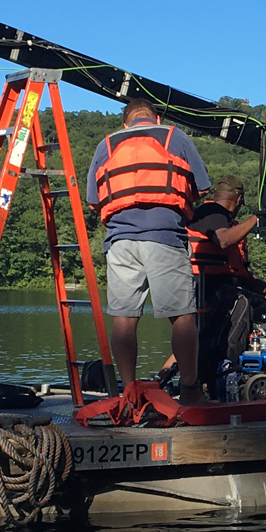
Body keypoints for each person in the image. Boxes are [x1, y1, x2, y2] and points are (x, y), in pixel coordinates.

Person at [87, 97, 210, 404]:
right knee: (182, 315)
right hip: (164, 236)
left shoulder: (107, 145)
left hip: (120, 242)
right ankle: (190, 389)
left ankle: (129, 391)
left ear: (126, 123)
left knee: (124, 318)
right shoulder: (174, 136)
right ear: (155, 119)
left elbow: (93, 200)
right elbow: (204, 187)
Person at [188, 176, 266, 385]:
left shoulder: (230, 224)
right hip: (204, 289)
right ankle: (225, 370)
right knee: (241, 303)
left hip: (222, 287)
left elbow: (239, 275)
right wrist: (257, 218)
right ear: (239, 198)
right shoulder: (211, 214)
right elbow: (223, 240)